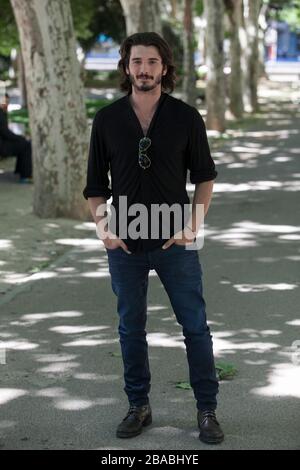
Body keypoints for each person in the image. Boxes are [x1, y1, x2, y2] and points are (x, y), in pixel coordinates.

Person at [83, 32, 224, 445]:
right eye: (136, 61)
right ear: (126, 67)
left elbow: (205, 178)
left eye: (152, 62)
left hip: (175, 240)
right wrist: (102, 227)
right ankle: (138, 406)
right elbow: (95, 185)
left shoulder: (185, 117)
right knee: (131, 327)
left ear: (165, 68)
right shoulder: (107, 119)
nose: (144, 69)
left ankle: (207, 410)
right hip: (125, 241)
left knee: (195, 327)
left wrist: (192, 225)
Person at [0, 93, 33, 183]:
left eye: (7, 101)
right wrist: (20, 137)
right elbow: (6, 133)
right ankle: (25, 176)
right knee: (26, 145)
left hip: (3, 142)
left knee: (23, 143)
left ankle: (20, 171)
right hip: (2, 146)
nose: (6, 104)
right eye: (4, 102)